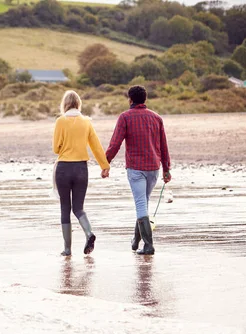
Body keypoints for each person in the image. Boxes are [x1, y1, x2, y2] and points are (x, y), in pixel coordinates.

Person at [105, 85, 171, 255]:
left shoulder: (125, 117)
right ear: (145, 99)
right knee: (144, 202)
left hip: (136, 168)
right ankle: (136, 241)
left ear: (130, 99)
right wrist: (166, 169)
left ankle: (149, 246)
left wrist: (105, 163)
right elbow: (164, 146)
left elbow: (115, 143)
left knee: (141, 204)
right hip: (153, 168)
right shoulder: (156, 118)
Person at [53, 90, 110, 256]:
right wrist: (104, 166)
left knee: (65, 208)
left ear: (64, 104)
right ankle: (89, 233)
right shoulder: (86, 122)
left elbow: (55, 148)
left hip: (64, 168)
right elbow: (96, 146)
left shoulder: (60, 121)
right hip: (81, 169)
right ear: (79, 104)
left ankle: (67, 249)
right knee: (78, 208)